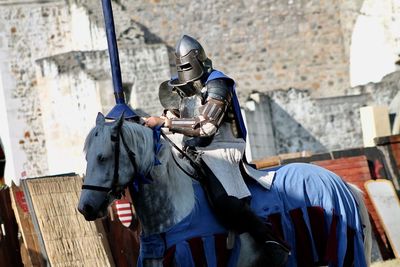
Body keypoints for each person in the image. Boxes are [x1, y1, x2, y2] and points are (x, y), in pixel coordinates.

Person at [145, 35, 290, 265]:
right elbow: (176, 113)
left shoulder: (218, 83)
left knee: (223, 200)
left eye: (187, 64)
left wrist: (167, 123)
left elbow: (207, 125)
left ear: (198, 60)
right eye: (180, 65)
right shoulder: (181, 86)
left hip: (224, 149)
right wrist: (168, 117)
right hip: (193, 150)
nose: (184, 69)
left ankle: (269, 241)